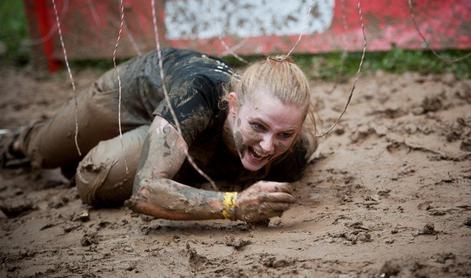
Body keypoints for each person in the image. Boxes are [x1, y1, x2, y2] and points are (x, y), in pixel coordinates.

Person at [0, 48, 317, 223]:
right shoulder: (199, 95)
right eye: (258, 126)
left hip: (178, 129)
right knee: (44, 151)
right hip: (130, 94)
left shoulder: (295, 150)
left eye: (284, 134)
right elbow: (147, 191)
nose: (267, 145)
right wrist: (233, 205)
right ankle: (13, 140)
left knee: (96, 175)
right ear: (233, 106)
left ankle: (84, 159)